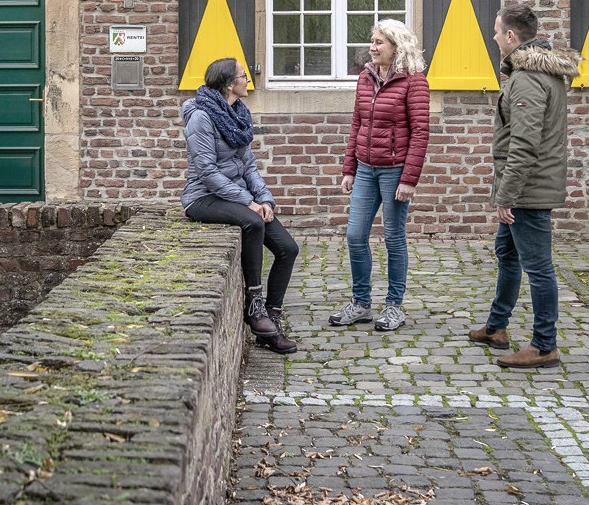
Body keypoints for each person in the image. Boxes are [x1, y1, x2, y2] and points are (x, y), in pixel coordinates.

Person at [467, 3, 578, 369]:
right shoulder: (535, 72)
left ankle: (545, 346)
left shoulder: (528, 78)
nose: (494, 36)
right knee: (508, 253)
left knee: (539, 267)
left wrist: (507, 196)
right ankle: (496, 327)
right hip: (525, 185)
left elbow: (525, 143)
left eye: (497, 31)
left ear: (511, 36)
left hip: (528, 190)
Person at [181, 57, 300, 354]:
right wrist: (248, 201)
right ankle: (254, 306)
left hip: (236, 195)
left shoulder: (238, 114)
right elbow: (207, 172)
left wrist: (264, 198)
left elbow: (248, 166)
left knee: (288, 249)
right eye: (243, 75)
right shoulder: (201, 117)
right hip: (203, 198)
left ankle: (271, 322)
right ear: (228, 84)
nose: (247, 80)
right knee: (253, 221)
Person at [329, 20, 430, 332]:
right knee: (355, 235)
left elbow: (420, 132)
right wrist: (349, 168)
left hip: (395, 171)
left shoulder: (414, 82)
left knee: (394, 237)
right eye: (372, 41)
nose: (372, 48)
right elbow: (357, 124)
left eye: (378, 42)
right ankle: (361, 303)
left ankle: (393, 306)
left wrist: (409, 179)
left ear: (396, 47)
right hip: (365, 168)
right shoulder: (365, 77)